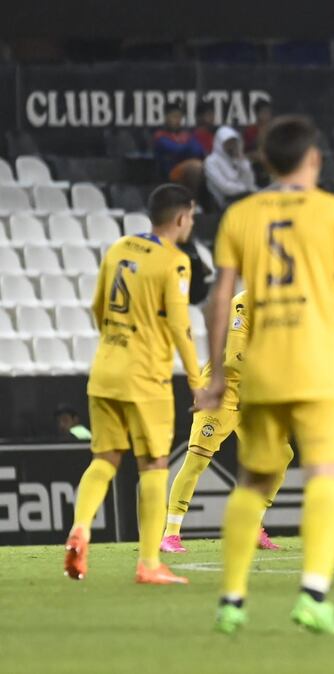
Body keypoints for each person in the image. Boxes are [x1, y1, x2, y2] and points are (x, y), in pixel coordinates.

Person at [198, 114, 334, 636]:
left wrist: (212, 376)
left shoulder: (241, 215)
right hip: (319, 365)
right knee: (325, 472)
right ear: (313, 159)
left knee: (252, 479)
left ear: (267, 163)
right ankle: (313, 595)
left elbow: (217, 299)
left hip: (261, 369)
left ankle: (231, 601)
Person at [64, 184, 204, 585]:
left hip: (105, 369)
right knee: (155, 465)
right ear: (181, 218)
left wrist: (116, 341)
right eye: (191, 216)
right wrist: (197, 380)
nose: (191, 222)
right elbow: (180, 325)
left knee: (104, 459)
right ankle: (148, 563)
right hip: (146, 378)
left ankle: (81, 528)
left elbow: (96, 307)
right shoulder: (175, 261)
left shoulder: (119, 247)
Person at [161, 290, 291, 553]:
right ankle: (170, 534)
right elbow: (235, 357)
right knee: (197, 460)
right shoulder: (243, 303)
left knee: (280, 455)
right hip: (221, 394)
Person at [153, 102, 205, 195]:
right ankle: (192, 198)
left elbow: (199, 150)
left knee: (202, 166)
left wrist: (186, 148)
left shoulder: (186, 134)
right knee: (195, 166)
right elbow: (176, 151)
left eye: (179, 117)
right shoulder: (160, 136)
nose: (177, 120)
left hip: (187, 172)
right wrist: (188, 148)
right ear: (166, 117)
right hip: (169, 173)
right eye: (174, 116)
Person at [203, 126, 257, 209]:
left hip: (244, 196)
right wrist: (246, 189)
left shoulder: (237, 159)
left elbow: (250, 181)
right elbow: (225, 188)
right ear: (220, 142)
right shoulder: (211, 161)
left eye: (233, 142)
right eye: (228, 142)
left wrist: (242, 162)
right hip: (225, 202)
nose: (231, 145)